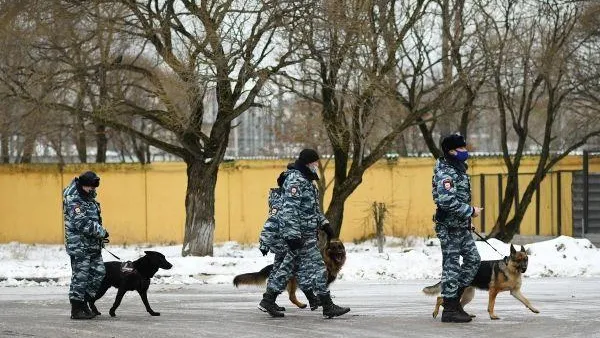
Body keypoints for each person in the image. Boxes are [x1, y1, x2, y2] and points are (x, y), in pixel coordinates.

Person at [258, 149, 349, 318]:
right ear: (308, 163)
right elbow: (289, 210)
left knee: (287, 267)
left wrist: (325, 225)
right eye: (315, 163)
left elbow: (312, 210)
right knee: (317, 268)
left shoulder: (307, 181)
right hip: (299, 236)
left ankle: (269, 299)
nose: (317, 166)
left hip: (305, 235)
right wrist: (292, 236)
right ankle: (327, 305)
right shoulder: (296, 180)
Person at [432, 134, 482, 323]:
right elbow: (446, 201)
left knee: (473, 260)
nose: (464, 151)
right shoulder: (446, 172)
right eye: (461, 149)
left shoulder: (457, 169)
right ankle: (450, 309)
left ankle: (453, 300)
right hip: (449, 228)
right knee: (451, 267)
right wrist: (471, 211)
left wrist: (467, 219)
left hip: (461, 226)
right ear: (451, 151)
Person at [63, 171, 109, 320]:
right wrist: (101, 232)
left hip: (92, 245)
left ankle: (85, 301)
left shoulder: (88, 197)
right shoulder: (74, 199)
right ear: (83, 185)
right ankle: (77, 309)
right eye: (91, 187)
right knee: (80, 277)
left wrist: (99, 237)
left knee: (99, 272)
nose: (93, 190)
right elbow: (81, 223)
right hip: (79, 246)